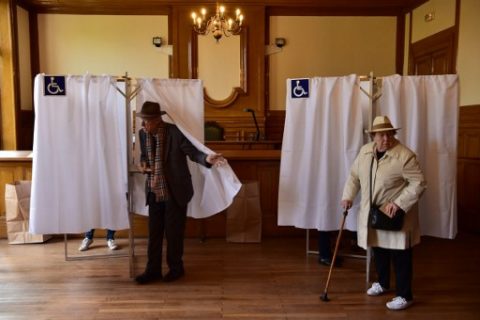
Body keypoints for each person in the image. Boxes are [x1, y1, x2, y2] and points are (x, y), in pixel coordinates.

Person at [135, 101, 226, 284]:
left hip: (176, 190)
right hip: (154, 190)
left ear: (158, 119)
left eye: (147, 121)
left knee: (174, 233)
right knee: (154, 234)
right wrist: (143, 165)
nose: (144, 125)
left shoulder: (175, 132)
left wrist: (206, 158)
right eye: (143, 121)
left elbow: (192, 152)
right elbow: (144, 157)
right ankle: (152, 270)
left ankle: (176, 269)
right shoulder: (143, 135)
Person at [341, 116, 426, 311]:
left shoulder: (405, 156)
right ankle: (383, 283)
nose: (386, 138)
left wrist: (398, 203)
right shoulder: (365, 152)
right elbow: (354, 177)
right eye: (381, 135)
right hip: (373, 213)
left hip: (395, 215)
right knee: (378, 249)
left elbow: (419, 183)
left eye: (389, 134)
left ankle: (405, 295)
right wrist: (348, 197)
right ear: (373, 136)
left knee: (400, 255)